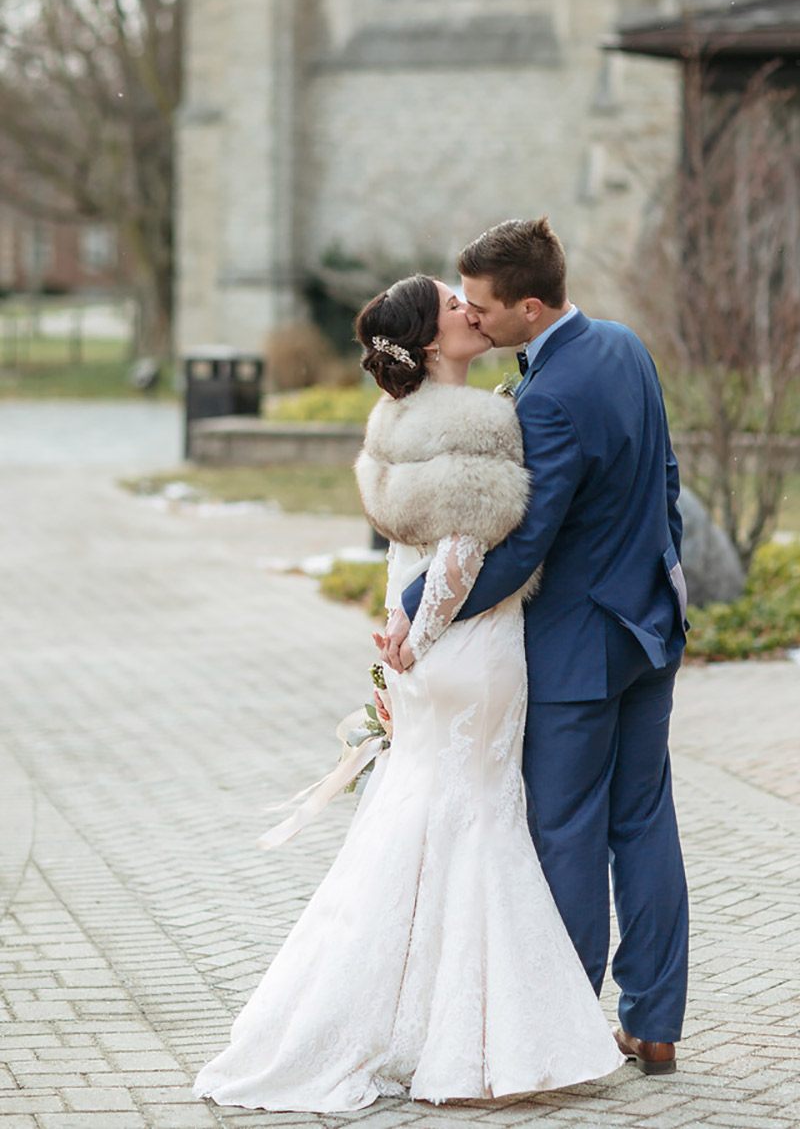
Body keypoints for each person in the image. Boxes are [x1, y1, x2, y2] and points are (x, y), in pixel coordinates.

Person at [193, 274, 622, 1114]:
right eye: (452, 306)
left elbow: (409, 556)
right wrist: (416, 643)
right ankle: (480, 1047)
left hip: (421, 648)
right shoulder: (480, 419)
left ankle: (402, 1023)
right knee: (478, 826)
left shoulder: (392, 419)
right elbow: (462, 550)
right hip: (466, 646)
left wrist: (400, 644)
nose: (469, 309)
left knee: (420, 822)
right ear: (430, 342)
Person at [386, 217, 689, 1074]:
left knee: (565, 834)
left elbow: (523, 542)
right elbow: (667, 479)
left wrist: (417, 609)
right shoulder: (625, 346)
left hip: (577, 652)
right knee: (646, 823)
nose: (473, 320)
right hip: (651, 632)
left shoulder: (546, 398)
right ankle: (656, 1021)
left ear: (529, 305)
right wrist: (665, 579)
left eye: (483, 308)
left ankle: (565, 1031)